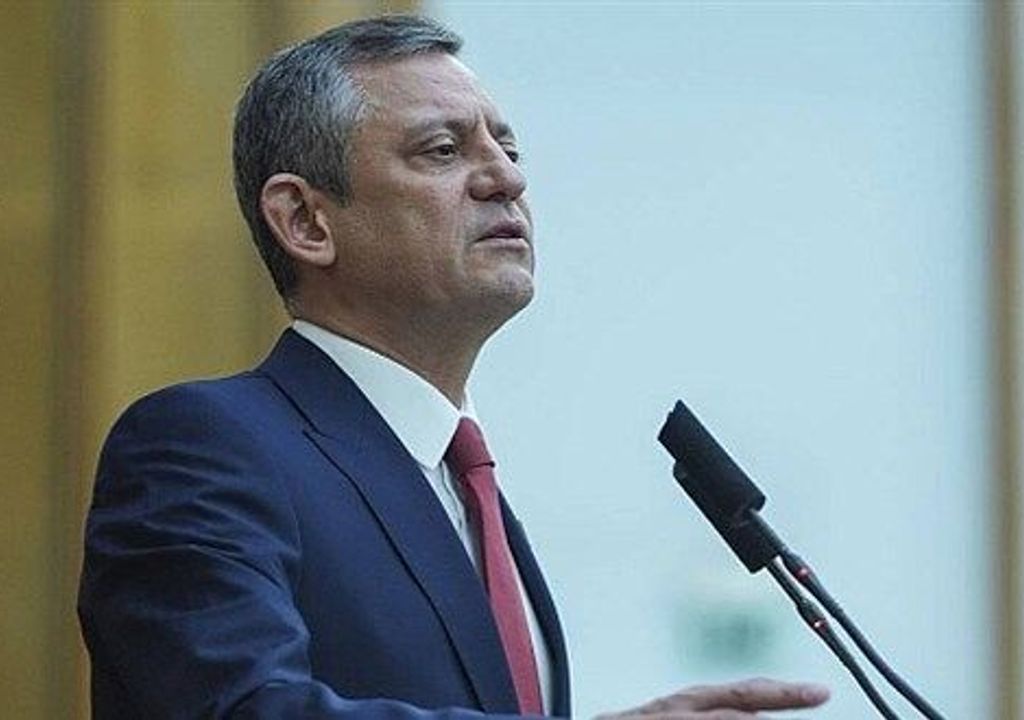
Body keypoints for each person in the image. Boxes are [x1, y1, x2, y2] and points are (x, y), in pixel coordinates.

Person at [77, 14, 830, 719]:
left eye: (509, 150)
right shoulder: (205, 447)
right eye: (442, 150)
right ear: (306, 220)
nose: (506, 179)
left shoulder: (465, 483)